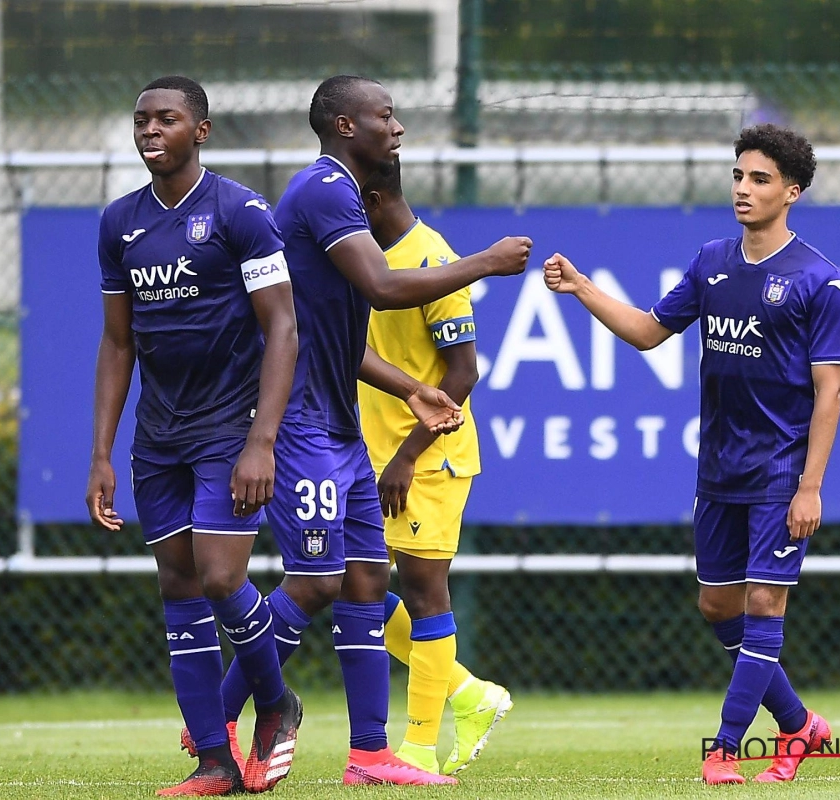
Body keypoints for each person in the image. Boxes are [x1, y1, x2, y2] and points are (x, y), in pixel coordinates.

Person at [189, 74, 531, 787]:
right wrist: (488, 262)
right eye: (386, 114)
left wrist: (411, 389)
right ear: (346, 126)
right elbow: (379, 287)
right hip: (302, 421)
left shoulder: (341, 195)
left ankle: (372, 755)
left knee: (368, 581)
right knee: (316, 583)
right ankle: (218, 720)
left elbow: (341, 335)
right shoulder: (323, 190)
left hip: (340, 425)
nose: (398, 126)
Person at [542, 124, 840, 785]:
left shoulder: (820, 281)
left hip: (779, 474)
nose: (743, 187)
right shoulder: (712, 260)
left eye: (760, 178)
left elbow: (831, 391)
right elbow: (650, 332)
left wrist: (810, 485)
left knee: (765, 606)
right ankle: (800, 728)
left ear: (791, 192)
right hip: (718, 471)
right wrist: (583, 287)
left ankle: (725, 749)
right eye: (738, 175)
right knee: (718, 608)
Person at [85, 75, 303, 797]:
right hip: (159, 437)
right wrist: (101, 455)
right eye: (141, 119)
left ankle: (275, 702)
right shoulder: (119, 223)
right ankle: (213, 761)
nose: (150, 131)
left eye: (166, 120)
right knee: (177, 583)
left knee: (220, 576)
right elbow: (119, 345)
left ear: (200, 131)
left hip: (229, 427)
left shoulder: (241, 211)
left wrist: (262, 441)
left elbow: (283, 326)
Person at [357, 158, 513, 776]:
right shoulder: (360, 260)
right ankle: (470, 693)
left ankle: (418, 746)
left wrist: (405, 455)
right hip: (369, 453)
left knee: (424, 593)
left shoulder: (432, 261)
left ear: (367, 199)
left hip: (427, 461)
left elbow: (462, 372)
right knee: (354, 587)